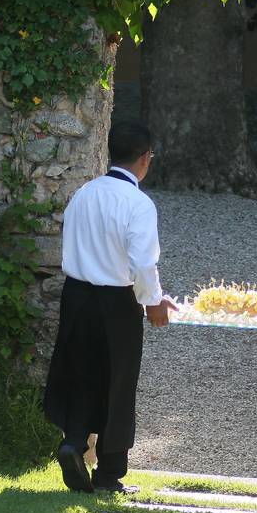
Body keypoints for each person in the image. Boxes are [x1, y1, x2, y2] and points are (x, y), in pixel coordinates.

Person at [43, 121, 176, 494]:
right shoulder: (139, 204)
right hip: (117, 301)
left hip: (76, 294)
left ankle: (73, 441)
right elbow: (142, 264)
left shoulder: (83, 193)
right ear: (146, 159)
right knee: (118, 382)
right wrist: (153, 302)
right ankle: (109, 472)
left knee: (82, 371)